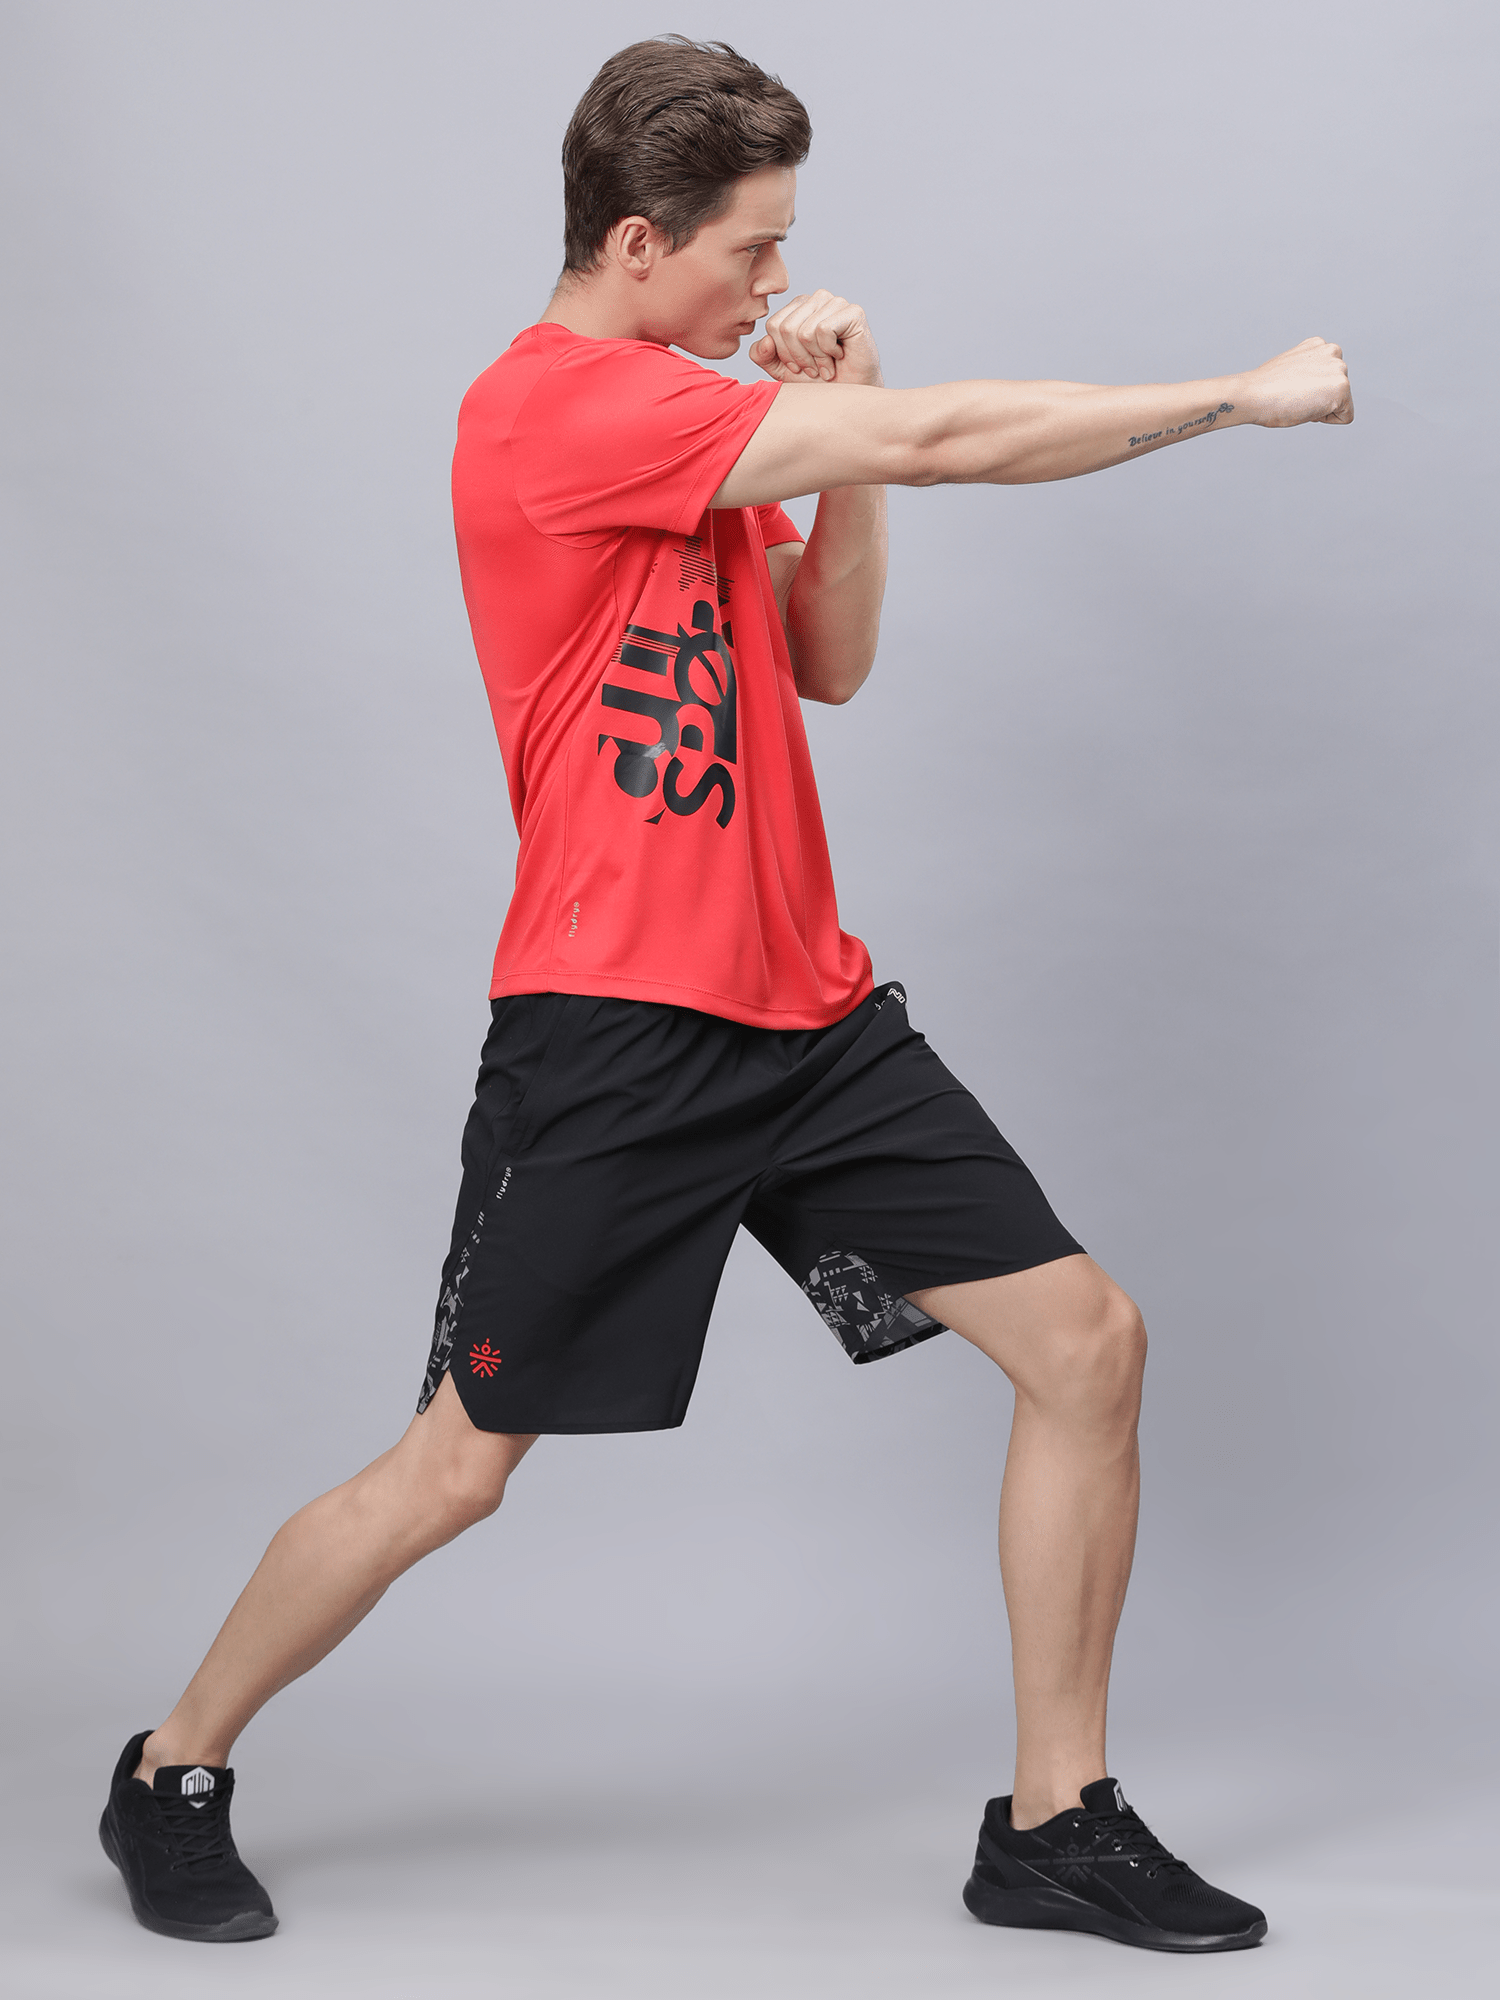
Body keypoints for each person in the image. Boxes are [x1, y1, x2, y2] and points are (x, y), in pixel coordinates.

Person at [99, 35, 1351, 1953]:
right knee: (455, 1472)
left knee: (1089, 1346)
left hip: (810, 1019)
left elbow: (826, 658)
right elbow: (952, 436)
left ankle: (1056, 1820)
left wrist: (834, 438)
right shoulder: (554, 410)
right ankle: (173, 1764)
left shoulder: (695, 421)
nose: (774, 279)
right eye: (751, 249)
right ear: (636, 242)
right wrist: (1235, 399)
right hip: (619, 1029)